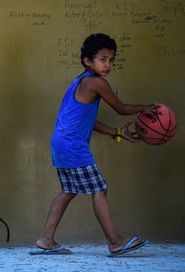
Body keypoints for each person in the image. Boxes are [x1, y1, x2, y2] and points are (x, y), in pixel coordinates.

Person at [32, 33, 156, 257]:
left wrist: (116, 132)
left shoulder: (79, 82)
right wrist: (144, 107)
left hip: (61, 143)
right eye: (103, 59)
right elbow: (121, 108)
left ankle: (46, 239)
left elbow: (88, 121)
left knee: (68, 191)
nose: (108, 64)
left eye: (111, 60)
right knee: (99, 189)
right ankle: (115, 242)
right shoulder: (96, 82)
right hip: (72, 146)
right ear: (87, 61)